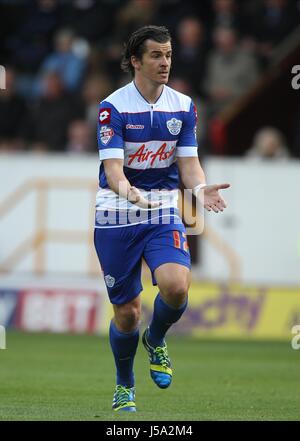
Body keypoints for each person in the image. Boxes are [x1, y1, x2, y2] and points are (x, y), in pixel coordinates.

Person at [94, 25, 230, 412]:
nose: (165, 62)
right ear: (136, 61)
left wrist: (201, 190)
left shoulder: (183, 106)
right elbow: (114, 169)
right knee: (127, 311)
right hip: (117, 212)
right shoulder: (113, 107)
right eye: (156, 55)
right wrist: (129, 191)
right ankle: (124, 384)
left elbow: (189, 164)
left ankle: (155, 339)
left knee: (176, 286)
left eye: (168, 55)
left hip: (163, 209)